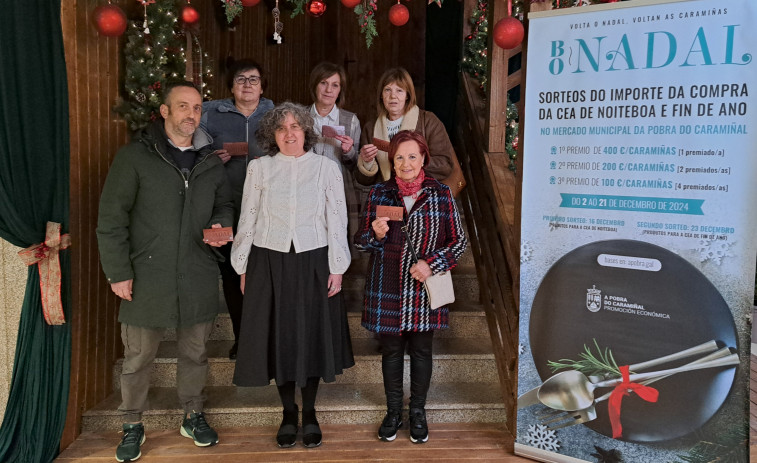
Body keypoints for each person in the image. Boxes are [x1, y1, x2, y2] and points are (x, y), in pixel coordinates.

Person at [97, 81, 233, 462]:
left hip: (198, 273)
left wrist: (222, 227)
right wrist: (118, 272)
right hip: (146, 277)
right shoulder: (134, 158)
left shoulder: (209, 162)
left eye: (197, 108)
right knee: (138, 357)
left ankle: (192, 414)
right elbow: (110, 220)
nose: (191, 114)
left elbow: (224, 204)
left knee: (196, 354)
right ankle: (132, 424)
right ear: (164, 111)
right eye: (183, 106)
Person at [230, 102, 354, 449]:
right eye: (282, 128)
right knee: (280, 338)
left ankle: (310, 412)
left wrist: (337, 266)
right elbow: (248, 217)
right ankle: (288, 412)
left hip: (314, 260)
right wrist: (242, 265)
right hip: (269, 261)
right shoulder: (259, 168)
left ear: (306, 132)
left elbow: (337, 218)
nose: (289, 133)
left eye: (295, 127)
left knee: (310, 336)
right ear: (272, 133)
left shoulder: (325, 168)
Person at [354, 130, 467, 444]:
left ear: (423, 159)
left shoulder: (441, 194)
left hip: (423, 288)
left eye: (412, 156)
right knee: (390, 352)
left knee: (421, 351)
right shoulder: (379, 194)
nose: (405, 163)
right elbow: (361, 242)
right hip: (387, 286)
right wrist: (374, 236)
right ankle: (393, 412)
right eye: (399, 157)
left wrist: (431, 263)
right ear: (392, 160)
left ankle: (418, 411)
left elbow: (458, 243)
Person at [201, 59, 275, 360]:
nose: (247, 84)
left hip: (267, 207)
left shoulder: (275, 114)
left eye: (253, 79)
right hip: (224, 205)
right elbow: (192, 152)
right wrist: (209, 159)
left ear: (262, 86)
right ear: (231, 86)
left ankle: (267, 337)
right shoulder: (210, 114)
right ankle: (242, 337)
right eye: (241, 79)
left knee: (265, 273)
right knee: (232, 274)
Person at [355, 67, 454, 187]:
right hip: (387, 199)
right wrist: (367, 162)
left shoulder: (428, 121)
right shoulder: (370, 128)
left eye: (399, 90)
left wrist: (414, 160)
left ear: (407, 95)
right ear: (381, 95)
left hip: (422, 196)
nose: (393, 96)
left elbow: (445, 166)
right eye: (387, 90)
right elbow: (363, 181)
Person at [307, 62, 361, 224]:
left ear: (340, 90)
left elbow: (357, 166)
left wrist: (349, 151)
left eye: (335, 85)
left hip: (339, 189)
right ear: (314, 85)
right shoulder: (299, 117)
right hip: (306, 187)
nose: (328, 90)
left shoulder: (350, 120)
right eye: (323, 83)